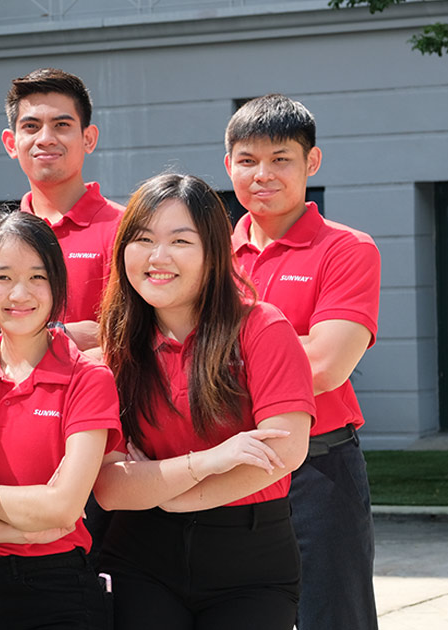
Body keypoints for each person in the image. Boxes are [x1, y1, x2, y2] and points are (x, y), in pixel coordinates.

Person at [93, 173, 315, 629]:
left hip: (251, 559)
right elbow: (111, 488)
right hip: (140, 555)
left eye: (180, 240)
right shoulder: (116, 347)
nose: (158, 257)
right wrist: (212, 460)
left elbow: (284, 450)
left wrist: (170, 493)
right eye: (142, 239)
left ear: (214, 253)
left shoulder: (261, 328)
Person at [224, 94, 381, 630]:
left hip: (319, 471)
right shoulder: (212, 256)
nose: (262, 174)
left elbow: (328, 364)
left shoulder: (347, 249)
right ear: (229, 166)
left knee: (332, 617)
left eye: (280, 159)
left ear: (311, 162)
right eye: (247, 160)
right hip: (232, 464)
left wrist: (211, 365)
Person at [0, 210, 120, 630]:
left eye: (38, 277)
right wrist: (21, 532)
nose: (20, 293)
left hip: (60, 592)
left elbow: (62, 506)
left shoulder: (89, 379)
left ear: (58, 286)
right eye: (2, 277)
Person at [0, 68, 123, 354]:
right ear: (12, 143)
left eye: (61, 125)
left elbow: (141, 338)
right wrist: (65, 335)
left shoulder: (125, 230)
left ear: (89, 139)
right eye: (31, 127)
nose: (45, 138)